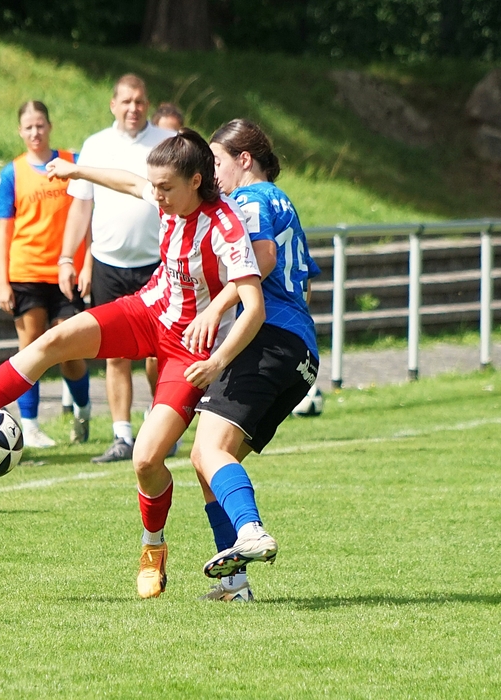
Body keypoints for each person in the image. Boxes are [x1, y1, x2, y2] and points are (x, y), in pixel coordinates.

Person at [0, 129, 266, 599]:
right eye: (154, 186)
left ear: (195, 181)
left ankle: (153, 546)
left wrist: (218, 358)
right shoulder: (166, 196)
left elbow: (254, 305)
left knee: (146, 459)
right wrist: (76, 170)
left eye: (164, 188)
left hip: (190, 350)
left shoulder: (225, 225)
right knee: (53, 339)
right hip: (146, 311)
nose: (156, 195)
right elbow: (126, 182)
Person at [191, 119, 319, 602]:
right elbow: (304, 283)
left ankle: (251, 531)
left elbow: (261, 258)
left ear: (244, 159)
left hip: (268, 341)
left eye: (217, 162)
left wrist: (216, 307)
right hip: (300, 353)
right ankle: (234, 584)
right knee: (209, 462)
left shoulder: (250, 199)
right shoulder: (285, 202)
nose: (213, 173)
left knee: (208, 451)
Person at [57, 73, 176, 463]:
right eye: (126, 101)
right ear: (113, 104)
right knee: (115, 355)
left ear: (147, 104)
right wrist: (67, 258)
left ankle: (163, 428)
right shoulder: (95, 145)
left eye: (139, 101)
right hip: (109, 264)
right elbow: (81, 206)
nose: (133, 108)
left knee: (160, 354)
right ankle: (122, 436)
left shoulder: (166, 142)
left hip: (158, 264)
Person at [0, 100, 93, 448]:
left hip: (67, 272)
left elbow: (88, 215)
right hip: (26, 271)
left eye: (40, 125)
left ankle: (83, 410)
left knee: (70, 348)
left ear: (49, 126)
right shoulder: (12, 173)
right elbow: (5, 231)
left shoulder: (71, 163)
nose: (35, 132)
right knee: (31, 348)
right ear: (20, 132)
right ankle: (30, 426)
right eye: (28, 127)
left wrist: (88, 262)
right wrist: (2, 281)